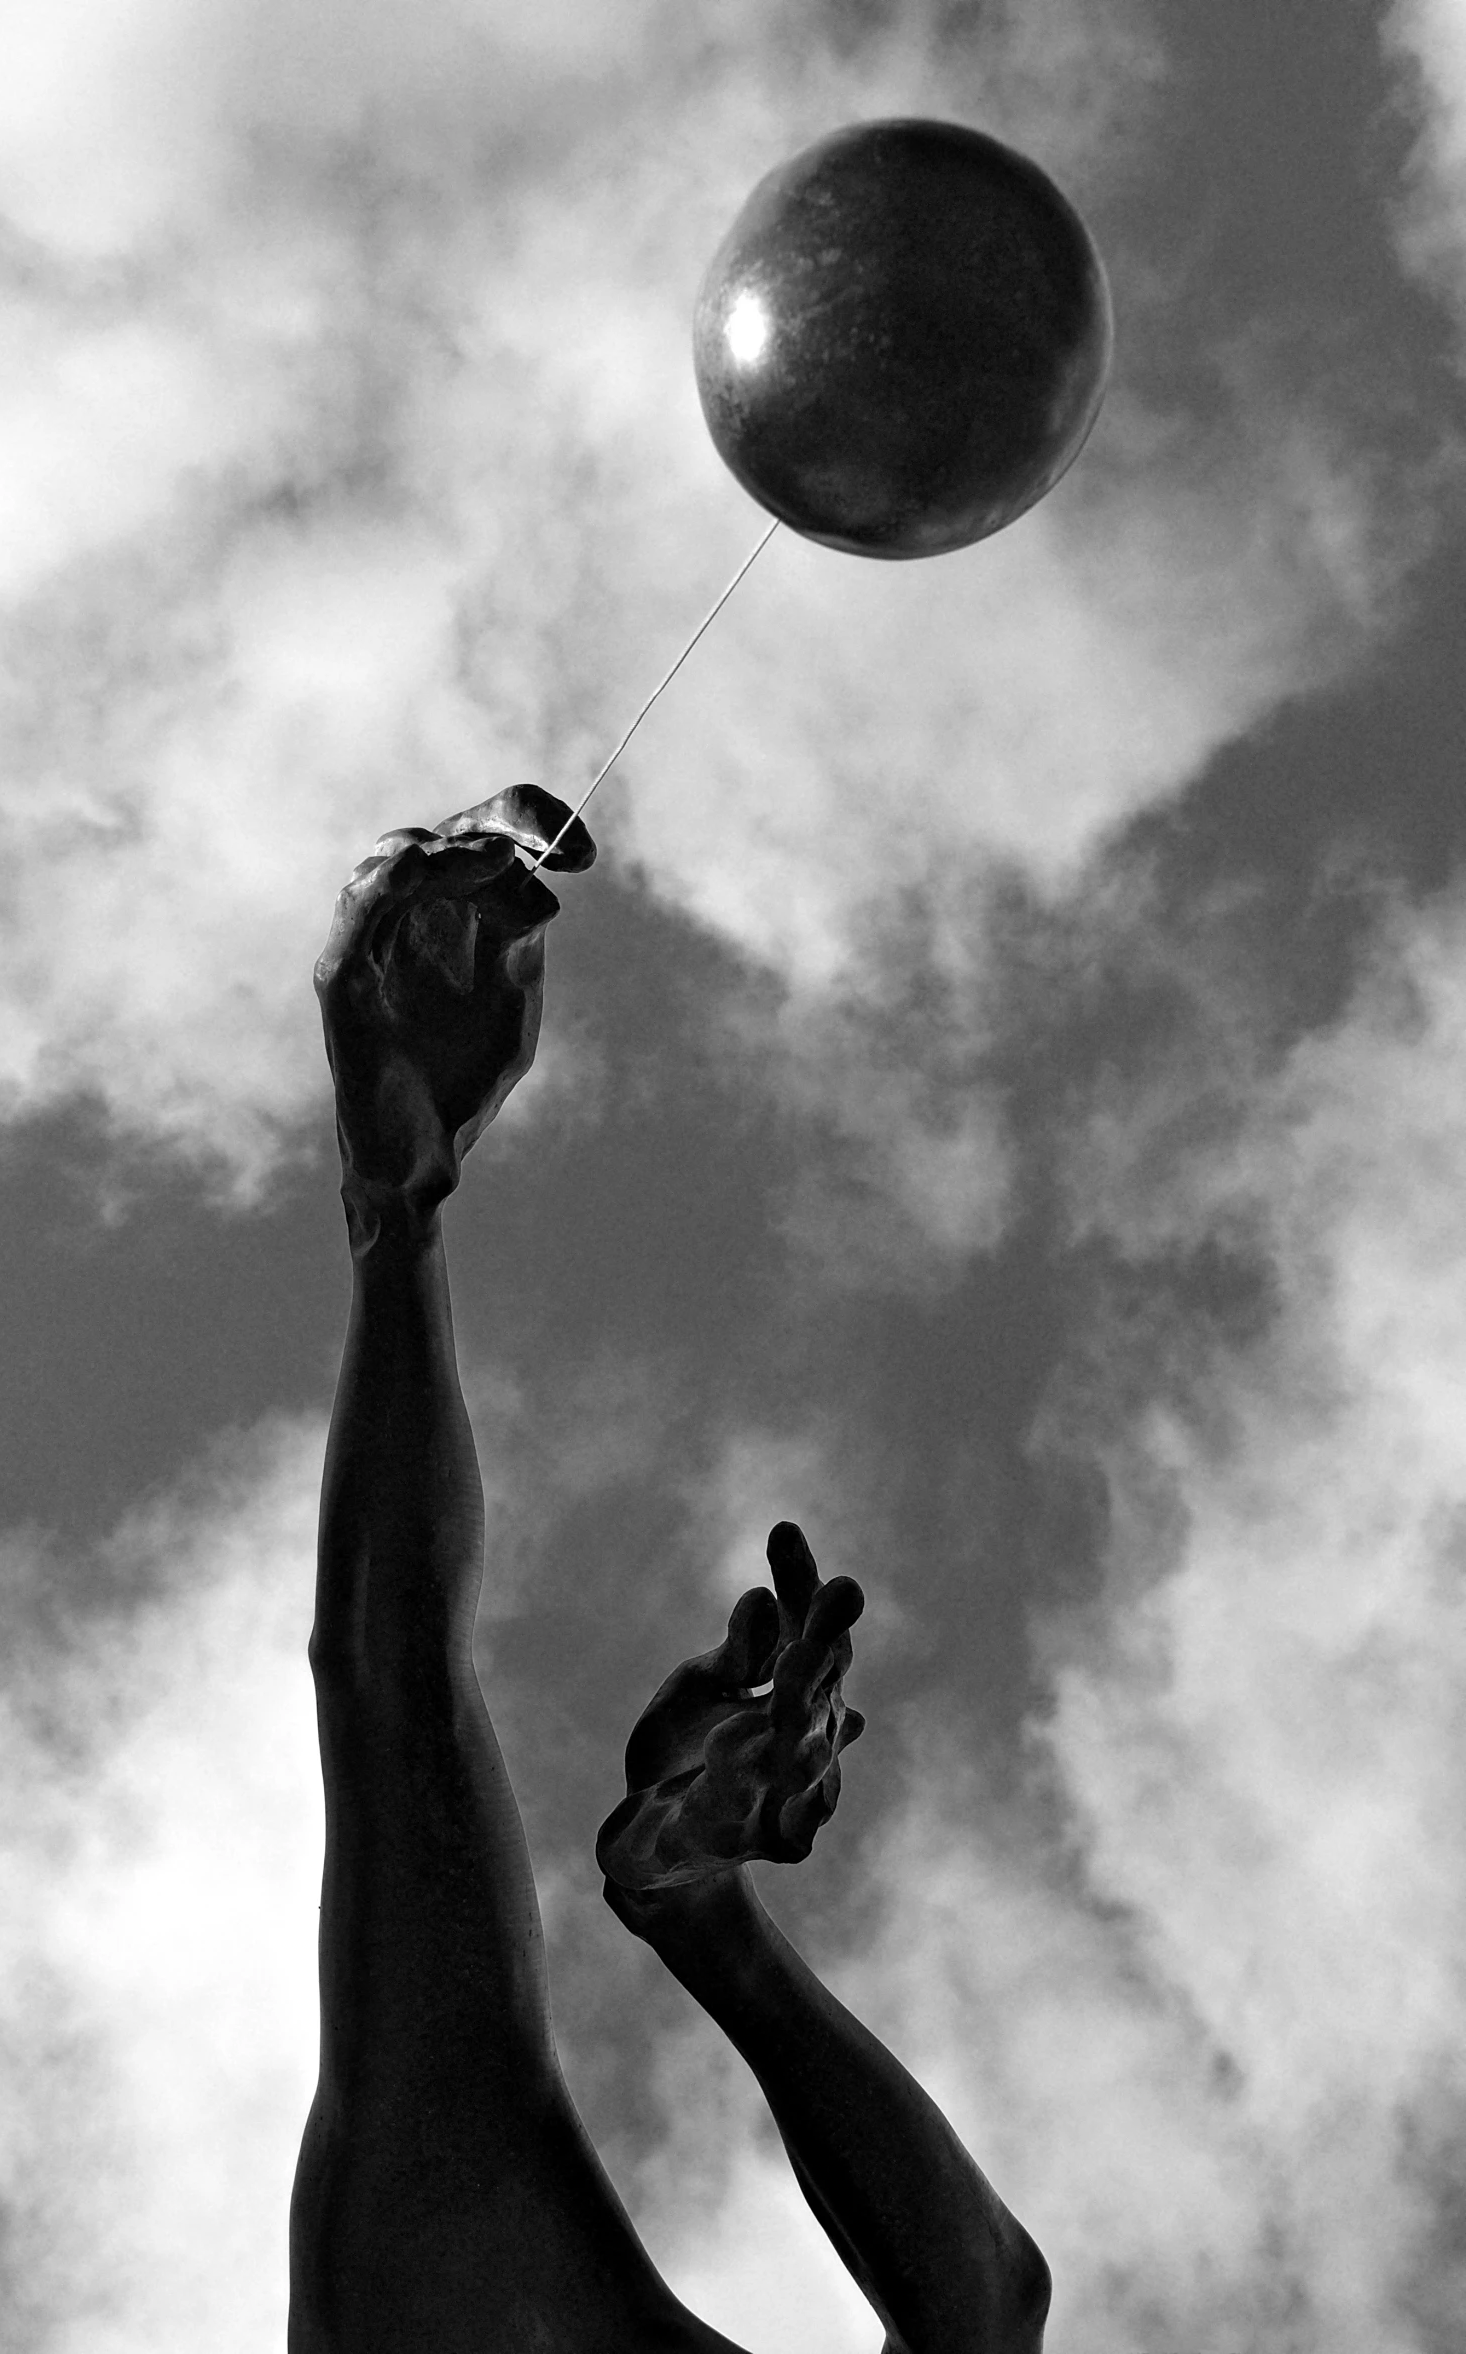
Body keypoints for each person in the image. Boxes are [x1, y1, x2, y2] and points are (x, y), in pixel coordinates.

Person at [287, 788, 1052, 2354]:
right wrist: (699, 1914)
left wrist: (399, 1221)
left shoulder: (440, 2302)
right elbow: (986, 2311)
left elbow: (387, 1683)